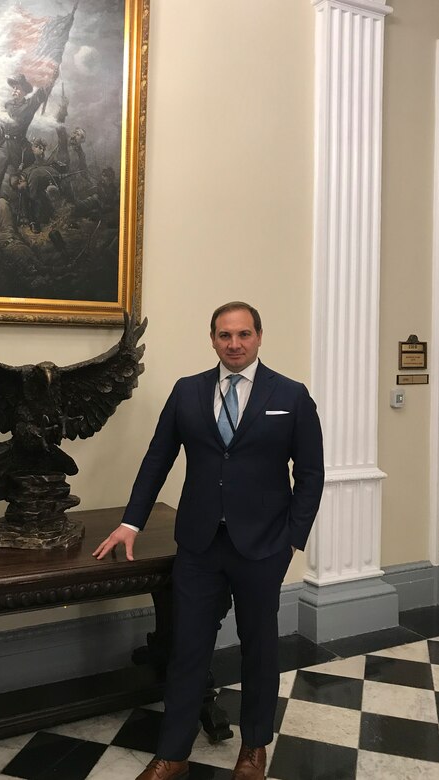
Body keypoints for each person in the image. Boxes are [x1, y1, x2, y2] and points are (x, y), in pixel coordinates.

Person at [93, 301, 324, 780]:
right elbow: (157, 460)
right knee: (187, 648)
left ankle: (253, 747)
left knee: (258, 647)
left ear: (259, 337)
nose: (234, 344)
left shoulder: (291, 395)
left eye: (243, 335)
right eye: (224, 336)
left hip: (263, 547)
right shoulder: (187, 392)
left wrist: (293, 538)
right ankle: (172, 752)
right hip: (199, 545)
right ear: (212, 339)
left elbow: (311, 473)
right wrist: (131, 522)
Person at [0, 73, 49, 227]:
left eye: (18, 87)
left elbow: (41, 94)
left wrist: (51, 80)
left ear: (24, 90)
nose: (15, 90)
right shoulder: (7, 105)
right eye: (13, 87)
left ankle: (32, 219)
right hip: (3, 146)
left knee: (23, 183)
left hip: (18, 148)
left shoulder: (30, 105)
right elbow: (2, 126)